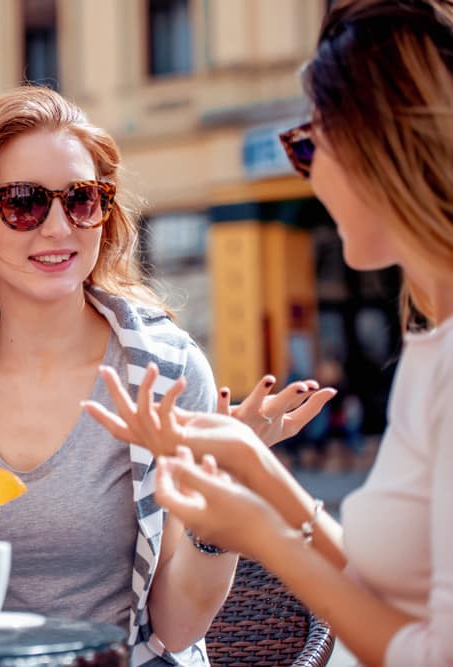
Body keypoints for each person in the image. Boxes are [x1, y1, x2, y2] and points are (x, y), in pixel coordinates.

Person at [0, 86, 333, 666]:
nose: (60, 227)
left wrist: (224, 497)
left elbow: (176, 631)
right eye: (24, 202)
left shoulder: (167, 374)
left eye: (82, 199)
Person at [84, 1, 453, 665]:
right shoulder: (431, 344)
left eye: (309, 145)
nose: (304, 173)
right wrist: (249, 460)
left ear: (384, 149)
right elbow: (396, 592)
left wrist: (259, 529)